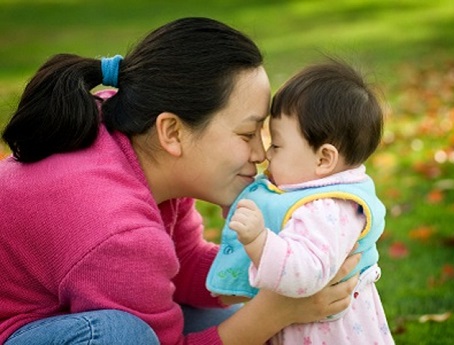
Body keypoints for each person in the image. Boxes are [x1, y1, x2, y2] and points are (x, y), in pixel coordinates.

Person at [0, 18, 361, 345]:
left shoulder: (138, 145)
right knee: (125, 337)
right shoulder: (118, 230)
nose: (261, 154)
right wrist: (275, 311)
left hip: (59, 319)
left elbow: (184, 263)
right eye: (248, 133)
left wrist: (279, 267)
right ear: (172, 131)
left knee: (244, 323)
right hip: (25, 330)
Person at [207, 58, 395, 344]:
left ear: (324, 159)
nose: (268, 154)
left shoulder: (327, 208)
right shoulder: (310, 196)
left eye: (278, 145)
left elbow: (304, 275)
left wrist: (258, 239)